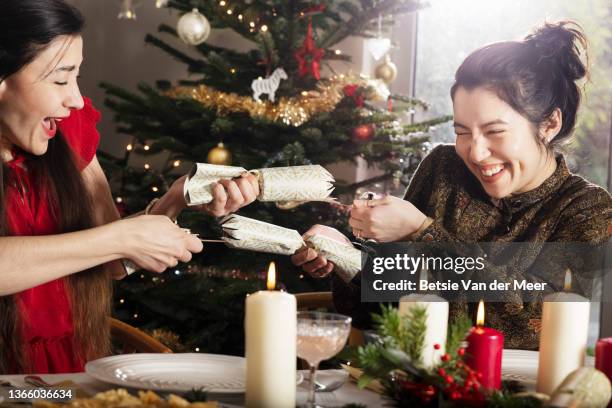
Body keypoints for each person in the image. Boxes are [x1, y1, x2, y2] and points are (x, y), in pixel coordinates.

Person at [292, 21, 612, 350]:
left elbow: (529, 323)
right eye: (462, 132)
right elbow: (380, 309)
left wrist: (423, 233)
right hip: (413, 383)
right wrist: (347, 257)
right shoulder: (444, 168)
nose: (475, 151)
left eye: (494, 131)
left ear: (549, 124)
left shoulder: (589, 209)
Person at [0, 0, 259, 374]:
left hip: (67, 371)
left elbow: (112, 262)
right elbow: (112, 241)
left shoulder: (67, 133)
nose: (74, 99)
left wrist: (176, 200)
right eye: (60, 79)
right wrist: (119, 238)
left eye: (77, 77)